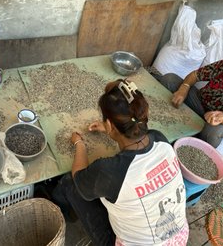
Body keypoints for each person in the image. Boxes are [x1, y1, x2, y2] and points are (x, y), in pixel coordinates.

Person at [52, 79, 188, 246]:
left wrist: (79, 143)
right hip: (178, 239)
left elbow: (79, 175)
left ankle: (60, 215)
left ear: (109, 124)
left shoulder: (108, 170)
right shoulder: (160, 139)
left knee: (69, 182)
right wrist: (112, 129)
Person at [156, 52, 223, 148]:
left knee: (212, 132)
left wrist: (220, 117)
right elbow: (196, 75)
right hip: (201, 103)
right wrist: (184, 88)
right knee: (170, 79)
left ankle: (193, 146)